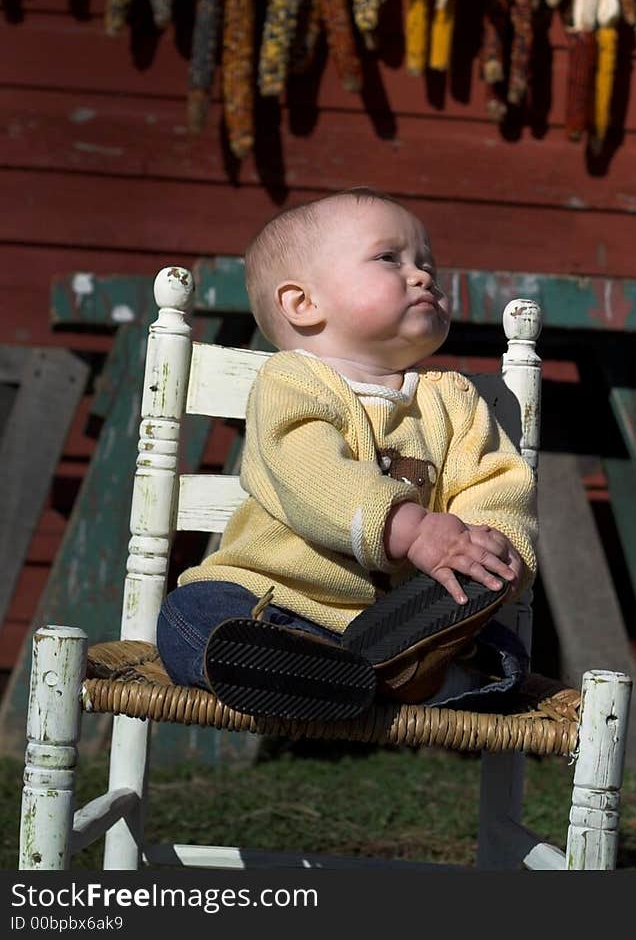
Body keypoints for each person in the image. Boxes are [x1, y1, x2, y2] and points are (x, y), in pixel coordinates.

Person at [157, 187, 538, 719]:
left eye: (426, 264)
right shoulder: (291, 380)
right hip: (274, 603)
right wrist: (412, 529)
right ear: (303, 303)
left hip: (404, 622)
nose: (424, 275)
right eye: (390, 259)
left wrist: (491, 547)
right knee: (191, 616)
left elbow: (495, 483)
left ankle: (375, 676)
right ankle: (371, 680)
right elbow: (306, 471)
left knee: (508, 651)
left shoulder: (455, 401)